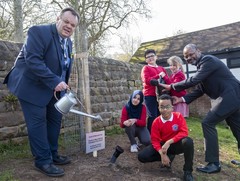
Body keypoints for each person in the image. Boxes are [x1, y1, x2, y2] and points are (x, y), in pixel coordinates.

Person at [3, 7, 79, 177]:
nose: (69, 26)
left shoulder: (69, 42)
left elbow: (63, 66)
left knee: (55, 120)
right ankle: (42, 161)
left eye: (73, 25)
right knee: (37, 124)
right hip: (31, 86)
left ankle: (52, 153)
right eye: (66, 22)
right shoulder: (38, 32)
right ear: (57, 18)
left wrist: (63, 85)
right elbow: (33, 60)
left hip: (54, 89)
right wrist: (54, 81)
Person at [159, 43, 240, 174]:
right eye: (186, 56)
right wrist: (181, 99)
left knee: (208, 122)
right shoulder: (203, 69)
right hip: (234, 97)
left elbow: (194, 80)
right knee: (238, 128)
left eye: (191, 54)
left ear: (199, 51)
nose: (189, 57)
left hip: (228, 96)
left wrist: (172, 87)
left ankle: (214, 163)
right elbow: (200, 90)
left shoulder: (208, 60)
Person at [138, 94, 194, 181]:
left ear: (172, 107)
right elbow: (155, 140)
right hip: (162, 146)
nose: (164, 110)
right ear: (158, 108)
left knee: (188, 142)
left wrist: (169, 142)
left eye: (167, 107)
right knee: (142, 156)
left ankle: (188, 171)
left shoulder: (178, 117)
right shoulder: (156, 122)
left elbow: (184, 132)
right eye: (162, 107)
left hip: (175, 144)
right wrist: (162, 154)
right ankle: (168, 157)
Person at [141, 49, 171, 133]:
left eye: (152, 56)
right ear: (146, 60)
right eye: (148, 57)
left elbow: (168, 82)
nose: (150, 58)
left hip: (161, 95)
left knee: (161, 115)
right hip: (150, 95)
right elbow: (146, 80)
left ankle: (159, 134)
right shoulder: (145, 68)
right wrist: (158, 76)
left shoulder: (162, 68)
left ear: (156, 57)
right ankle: (149, 136)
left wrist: (164, 77)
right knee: (152, 116)